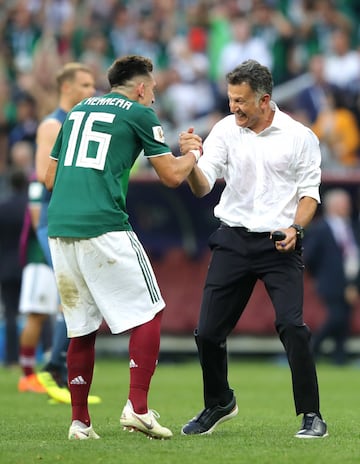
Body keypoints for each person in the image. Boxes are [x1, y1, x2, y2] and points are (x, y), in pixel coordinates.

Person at [44, 55, 201, 440]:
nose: (153, 99)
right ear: (142, 87)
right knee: (151, 311)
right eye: (154, 91)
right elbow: (170, 176)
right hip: (104, 223)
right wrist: (195, 153)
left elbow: (49, 177)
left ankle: (80, 423)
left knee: (81, 328)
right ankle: (139, 409)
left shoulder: (78, 110)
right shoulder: (138, 113)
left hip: (61, 228)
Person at [179, 59, 328, 438]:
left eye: (241, 101)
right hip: (233, 239)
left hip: (280, 243)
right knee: (207, 333)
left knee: (292, 327)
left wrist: (295, 227)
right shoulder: (225, 130)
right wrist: (191, 160)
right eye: (231, 99)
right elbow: (202, 186)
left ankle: (312, 416)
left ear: (264, 100)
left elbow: (310, 196)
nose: (234, 108)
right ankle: (219, 402)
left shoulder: (300, 136)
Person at [34, 62, 101, 405]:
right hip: (53, 219)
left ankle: (60, 369)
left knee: (80, 292)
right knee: (73, 292)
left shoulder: (86, 121)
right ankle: (53, 368)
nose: (92, 91)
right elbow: (44, 173)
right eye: (86, 85)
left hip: (75, 217)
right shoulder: (53, 124)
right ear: (67, 88)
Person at [303, 188, 360, 365]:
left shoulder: (351, 226)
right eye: (344, 204)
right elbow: (309, 257)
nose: (348, 207)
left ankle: (340, 357)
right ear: (333, 206)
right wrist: (319, 276)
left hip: (351, 280)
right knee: (336, 317)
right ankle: (309, 351)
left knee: (344, 319)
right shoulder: (319, 228)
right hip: (330, 281)